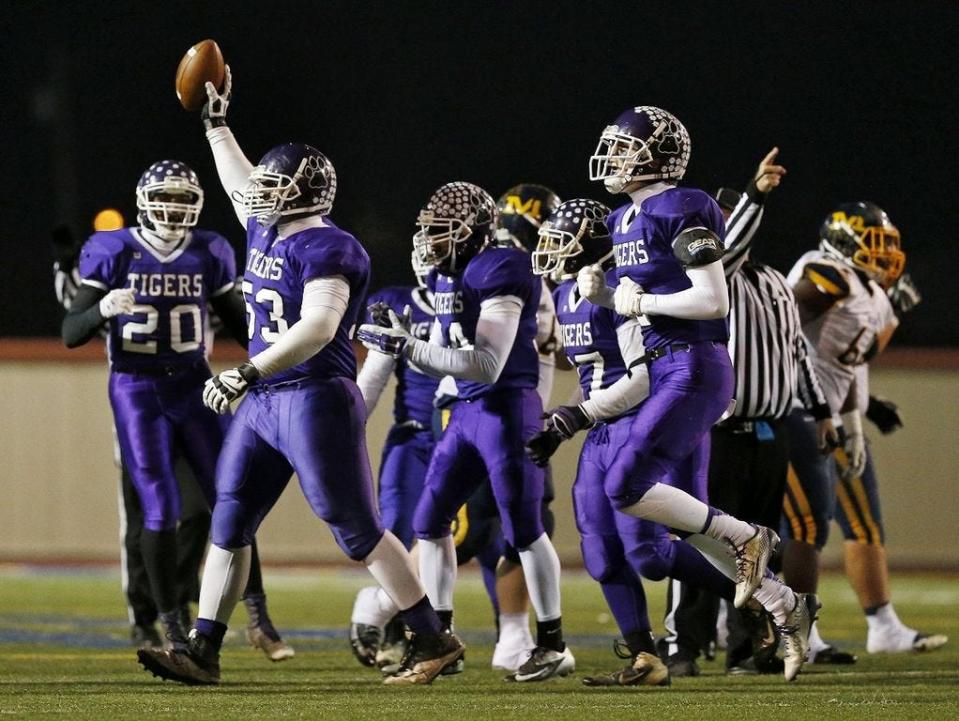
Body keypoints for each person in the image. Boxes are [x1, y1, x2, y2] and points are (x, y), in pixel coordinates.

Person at [136, 67, 463, 687]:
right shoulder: (268, 223)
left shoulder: (330, 248)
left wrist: (245, 371)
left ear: (302, 194)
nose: (259, 194)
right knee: (229, 517)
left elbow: (316, 328)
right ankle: (204, 650)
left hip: (313, 396)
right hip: (266, 399)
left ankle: (432, 636)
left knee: (355, 528)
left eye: (274, 186)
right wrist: (215, 126)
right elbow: (238, 184)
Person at [577, 105, 816, 681]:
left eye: (624, 147)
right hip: (665, 369)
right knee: (675, 516)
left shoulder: (683, 205)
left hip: (695, 366)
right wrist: (609, 297)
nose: (612, 157)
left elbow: (713, 301)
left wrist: (638, 302)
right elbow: (647, 309)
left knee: (625, 485)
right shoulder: (624, 219)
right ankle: (784, 604)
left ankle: (751, 537)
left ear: (657, 155)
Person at [60, 161, 291, 660]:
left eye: (186, 198)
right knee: (159, 509)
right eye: (168, 196)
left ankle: (259, 617)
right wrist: (101, 308)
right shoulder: (113, 249)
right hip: (136, 389)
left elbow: (243, 326)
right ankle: (168, 626)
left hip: (194, 385)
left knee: (234, 500)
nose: (176, 207)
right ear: (144, 198)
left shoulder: (209, 249)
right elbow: (70, 331)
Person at [357, 181, 572, 682]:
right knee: (430, 520)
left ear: (474, 231)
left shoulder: (504, 267)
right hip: (463, 412)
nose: (430, 242)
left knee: (523, 531)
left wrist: (406, 345)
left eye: (441, 232)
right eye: (427, 232)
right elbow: (442, 356)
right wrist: (401, 338)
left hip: (504, 411)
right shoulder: (448, 276)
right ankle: (442, 638)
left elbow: (485, 363)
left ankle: (552, 642)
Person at [660, 148, 841, 676]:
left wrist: (822, 410)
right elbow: (726, 249)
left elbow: (795, 353)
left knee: (758, 545)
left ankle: (746, 645)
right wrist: (757, 193)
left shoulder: (776, 283)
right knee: (702, 538)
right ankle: (683, 644)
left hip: (771, 431)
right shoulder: (714, 279)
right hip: (718, 432)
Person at [784, 202, 947, 656]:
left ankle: (883, 625)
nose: (887, 254)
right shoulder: (827, 273)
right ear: (842, 241)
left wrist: (856, 423)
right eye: (877, 243)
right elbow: (778, 327)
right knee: (798, 529)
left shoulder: (873, 295)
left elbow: (851, 366)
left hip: (833, 417)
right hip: (797, 414)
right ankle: (791, 633)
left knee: (862, 521)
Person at [348, 251, 440, 670]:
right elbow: (377, 373)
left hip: (463, 432)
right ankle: (395, 632)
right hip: (414, 434)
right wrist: (347, 424)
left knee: (475, 536)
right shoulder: (398, 301)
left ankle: (514, 636)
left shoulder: (481, 298)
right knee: (398, 532)